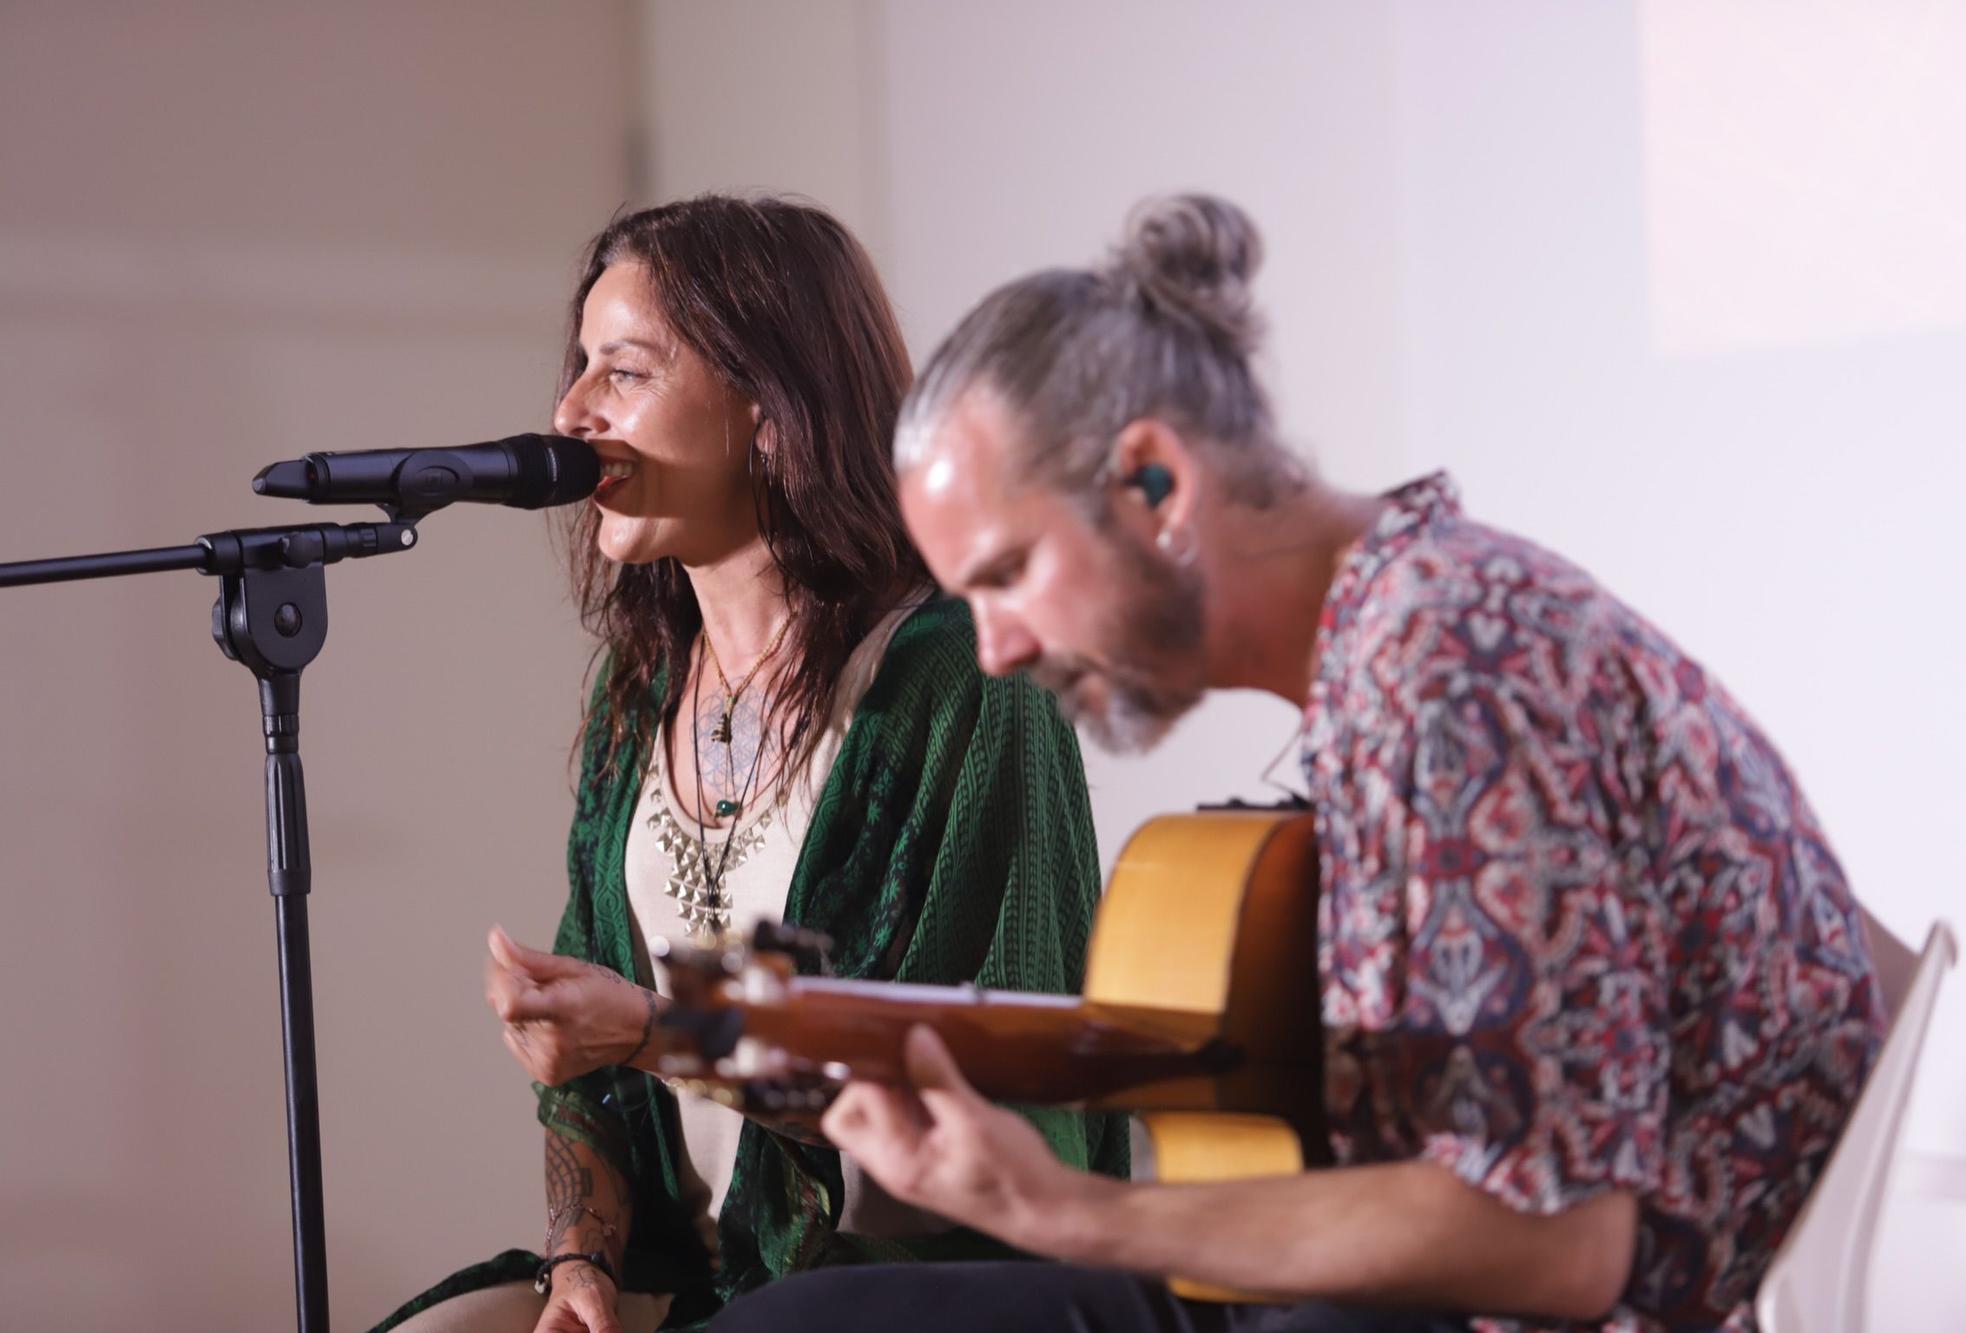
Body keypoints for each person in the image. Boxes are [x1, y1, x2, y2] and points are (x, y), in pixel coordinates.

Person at [709, 194, 1886, 1333]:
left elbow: (1555, 1246)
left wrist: (1063, 1207)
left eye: (1007, 572)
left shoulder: (1449, 656)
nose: (997, 647)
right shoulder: (1401, 636)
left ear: (1154, 481)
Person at [370, 195, 1123, 1333]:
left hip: (897, 1276)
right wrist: (581, 1261)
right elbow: (587, 1078)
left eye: (622, 372)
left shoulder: (962, 679)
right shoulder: (638, 691)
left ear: (768, 410)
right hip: (693, 1275)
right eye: (578, 368)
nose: (570, 412)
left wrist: (657, 1024)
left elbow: (958, 1088)